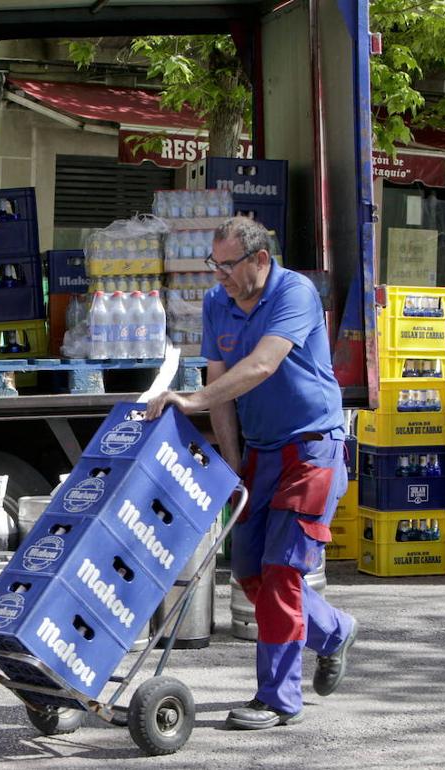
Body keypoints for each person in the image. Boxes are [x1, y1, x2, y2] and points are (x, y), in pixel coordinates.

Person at [145, 216, 357, 730]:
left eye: (226, 264)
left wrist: (189, 399)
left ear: (260, 260)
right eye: (212, 263)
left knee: (282, 571)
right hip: (261, 451)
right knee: (250, 573)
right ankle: (332, 631)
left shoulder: (295, 294)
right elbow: (221, 381)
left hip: (311, 451)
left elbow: (261, 366)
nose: (217, 273)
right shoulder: (219, 302)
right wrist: (233, 464)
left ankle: (278, 700)